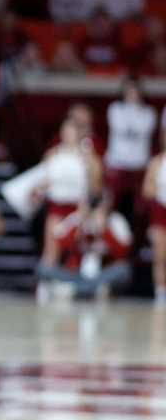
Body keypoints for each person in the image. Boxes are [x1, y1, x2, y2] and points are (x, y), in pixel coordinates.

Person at [37, 119, 102, 300]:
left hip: (78, 208)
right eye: (65, 130)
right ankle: (44, 286)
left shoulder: (88, 156)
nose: (68, 134)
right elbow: (44, 180)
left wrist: (90, 166)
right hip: (57, 206)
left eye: (72, 130)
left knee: (82, 246)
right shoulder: (53, 154)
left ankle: (85, 286)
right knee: (51, 247)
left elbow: (96, 187)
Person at [103, 77, 156, 218]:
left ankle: (137, 236)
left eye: (134, 90)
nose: (132, 93)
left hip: (139, 165)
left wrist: (131, 128)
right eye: (129, 90)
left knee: (140, 207)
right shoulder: (114, 108)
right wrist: (133, 128)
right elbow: (122, 128)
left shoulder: (149, 112)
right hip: (118, 164)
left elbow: (143, 129)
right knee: (112, 203)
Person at [142, 129, 166, 305]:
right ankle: (160, 292)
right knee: (160, 254)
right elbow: (146, 190)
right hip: (161, 212)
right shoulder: (157, 162)